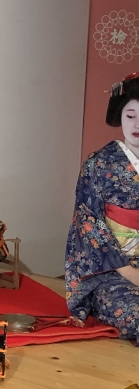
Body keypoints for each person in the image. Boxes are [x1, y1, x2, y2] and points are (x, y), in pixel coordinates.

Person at [66, 71, 139, 342]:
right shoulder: (99, 163)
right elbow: (89, 222)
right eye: (130, 115)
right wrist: (130, 272)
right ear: (120, 116)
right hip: (114, 272)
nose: (137, 124)